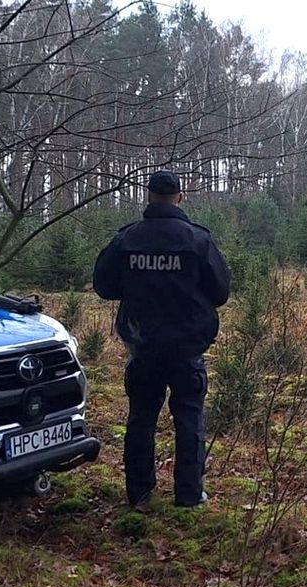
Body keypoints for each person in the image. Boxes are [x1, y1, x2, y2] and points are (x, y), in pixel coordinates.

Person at [92, 170, 231, 509]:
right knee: (189, 417)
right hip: (186, 346)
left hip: (143, 347)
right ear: (180, 197)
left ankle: (139, 495)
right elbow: (221, 291)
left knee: (141, 417)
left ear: (149, 196)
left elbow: (103, 286)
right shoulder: (197, 240)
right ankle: (189, 494)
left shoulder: (127, 239)